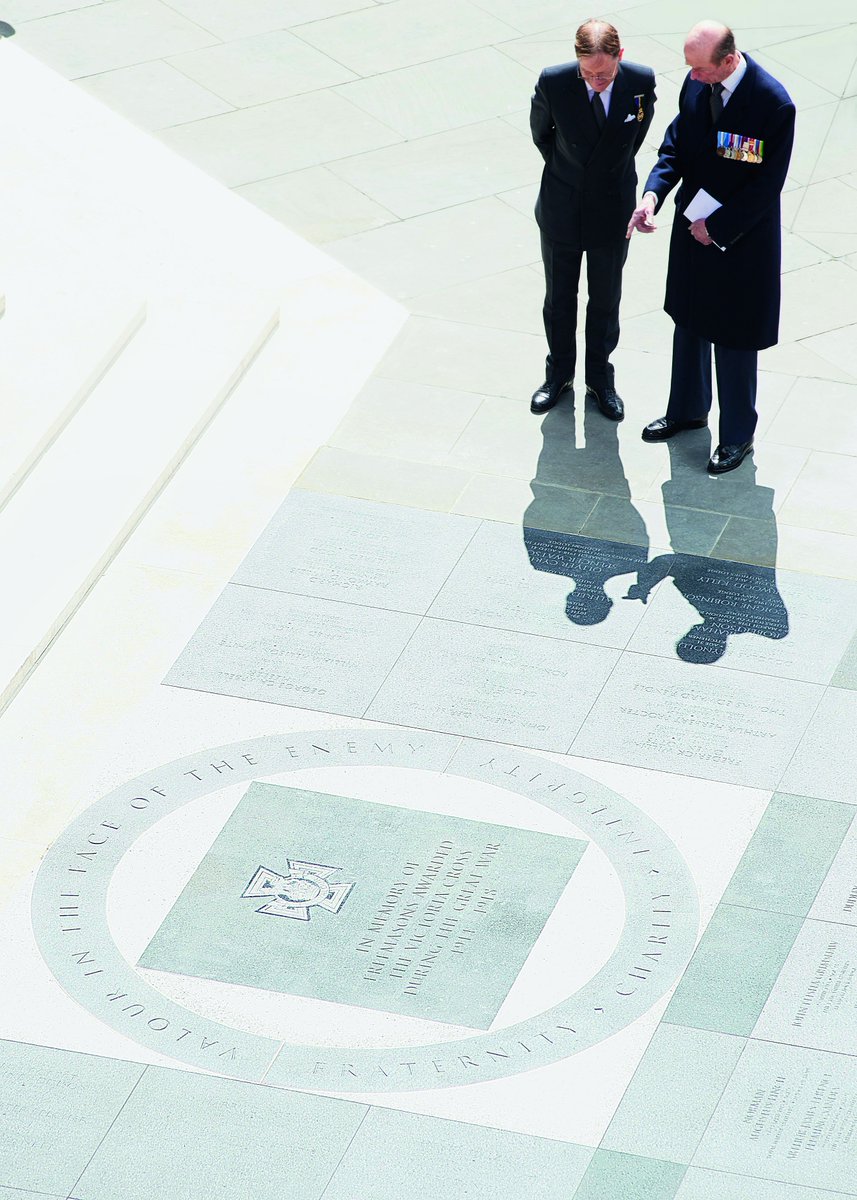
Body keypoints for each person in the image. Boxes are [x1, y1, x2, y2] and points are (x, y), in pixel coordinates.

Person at [627, 21, 795, 474]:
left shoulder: (772, 103)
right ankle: (687, 410)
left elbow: (766, 185)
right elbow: (676, 146)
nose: (693, 76)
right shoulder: (697, 84)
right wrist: (652, 194)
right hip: (692, 229)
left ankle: (737, 436)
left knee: (735, 337)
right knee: (689, 321)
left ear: (729, 60)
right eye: (691, 68)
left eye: (701, 69)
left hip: (741, 241)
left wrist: (717, 228)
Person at [530, 18, 655, 421]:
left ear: (621, 56)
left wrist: (605, 174)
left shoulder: (640, 81)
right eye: (588, 74)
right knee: (559, 298)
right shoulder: (554, 82)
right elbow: (542, 135)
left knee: (605, 299)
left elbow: (635, 137)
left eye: (604, 74)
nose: (597, 81)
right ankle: (558, 375)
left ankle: (600, 380)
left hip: (612, 209)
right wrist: (573, 173)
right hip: (562, 206)